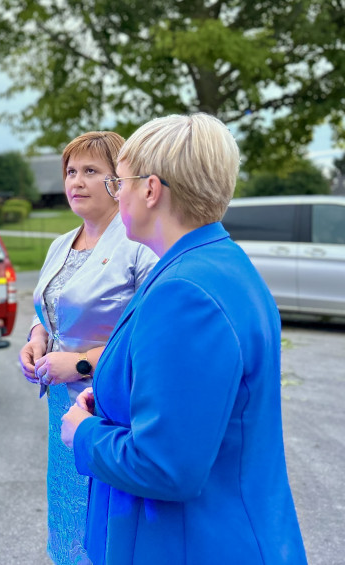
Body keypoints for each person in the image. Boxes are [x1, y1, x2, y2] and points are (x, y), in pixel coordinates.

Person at [61, 113, 307, 564]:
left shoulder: (185, 292)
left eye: (120, 183)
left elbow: (165, 467)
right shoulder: (218, 263)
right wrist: (119, 396)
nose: (117, 195)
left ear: (151, 190)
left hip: (192, 545)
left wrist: (83, 434)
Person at [18, 132, 157, 564]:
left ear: (119, 181)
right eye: (71, 171)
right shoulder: (62, 243)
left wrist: (79, 362)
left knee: (107, 519)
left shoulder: (140, 247)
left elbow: (147, 334)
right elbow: (49, 307)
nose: (76, 181)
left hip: (109, 403)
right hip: (60, 403)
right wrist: (37, 336)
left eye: (91, 171)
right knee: (66, 509)